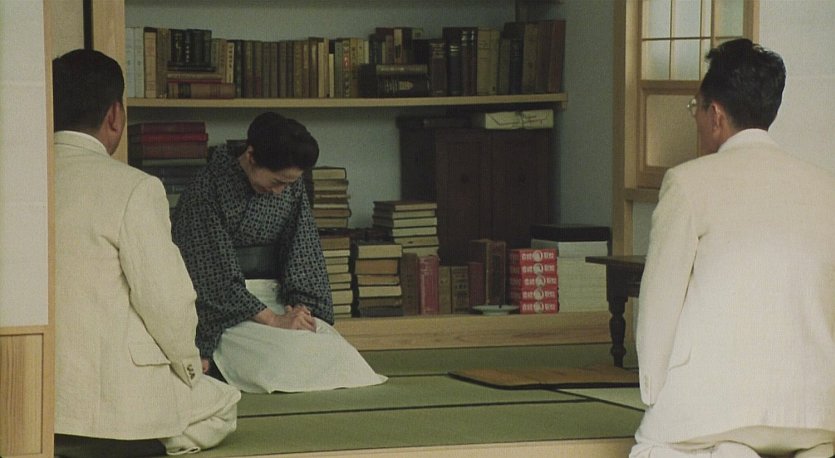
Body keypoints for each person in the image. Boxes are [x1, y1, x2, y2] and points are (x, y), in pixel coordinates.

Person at [630, 39, 835, 458]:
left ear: (716, 115)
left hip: (716, 407)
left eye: (696, 108)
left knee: (650, 450)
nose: (696, 118)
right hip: (815, 410)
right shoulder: (826, 188)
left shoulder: (688, 183)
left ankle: (730, 451)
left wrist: (653, 394)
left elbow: (659, 304)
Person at [53, 49, 240, 456]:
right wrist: (188, 364)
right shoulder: (135, 187)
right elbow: (166, 300)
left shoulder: (15, 182)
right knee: (223, 404)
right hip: (112, 395)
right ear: (115, 115)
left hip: (30, 390)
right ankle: (130, 440)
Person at [171, 111, 386, 393]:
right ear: (251, 156)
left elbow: (303, 252)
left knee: (336, 351)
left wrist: (299, 309)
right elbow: (209, 277)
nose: (281, 192)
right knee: (283, 359)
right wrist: (273, 320)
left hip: (277, 298)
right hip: (224, 311)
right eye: (276, 182)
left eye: (290, 184)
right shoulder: (206, 190)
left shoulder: (290, 187)